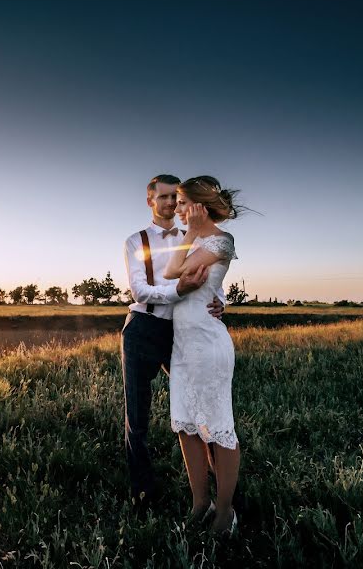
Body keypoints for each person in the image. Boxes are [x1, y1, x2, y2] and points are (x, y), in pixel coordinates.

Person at [122, 174, 224, 512]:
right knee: (137, 417)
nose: (170, 203)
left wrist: (223, 303)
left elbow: (214, 283)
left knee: (197, 408)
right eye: (163, 197)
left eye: (174, 198)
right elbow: (139, 291)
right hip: (143, 328)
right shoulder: (136, 241)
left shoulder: (194, 237)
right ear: (150, 200)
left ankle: (218, 486)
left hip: (182, 333)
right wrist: (177, 292)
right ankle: (143, 494)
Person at [163, 175, 241, 534]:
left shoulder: (222, 241)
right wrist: (189, 235)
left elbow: (174, 271)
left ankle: (225, 512)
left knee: (219, 427)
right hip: (182, 348)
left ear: (198, 206)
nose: (176, 210)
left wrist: (191, 233)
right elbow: (170, 274)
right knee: (186, 426)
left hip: (209, 347)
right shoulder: (189, 239)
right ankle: (200, 503)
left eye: (181, 203)